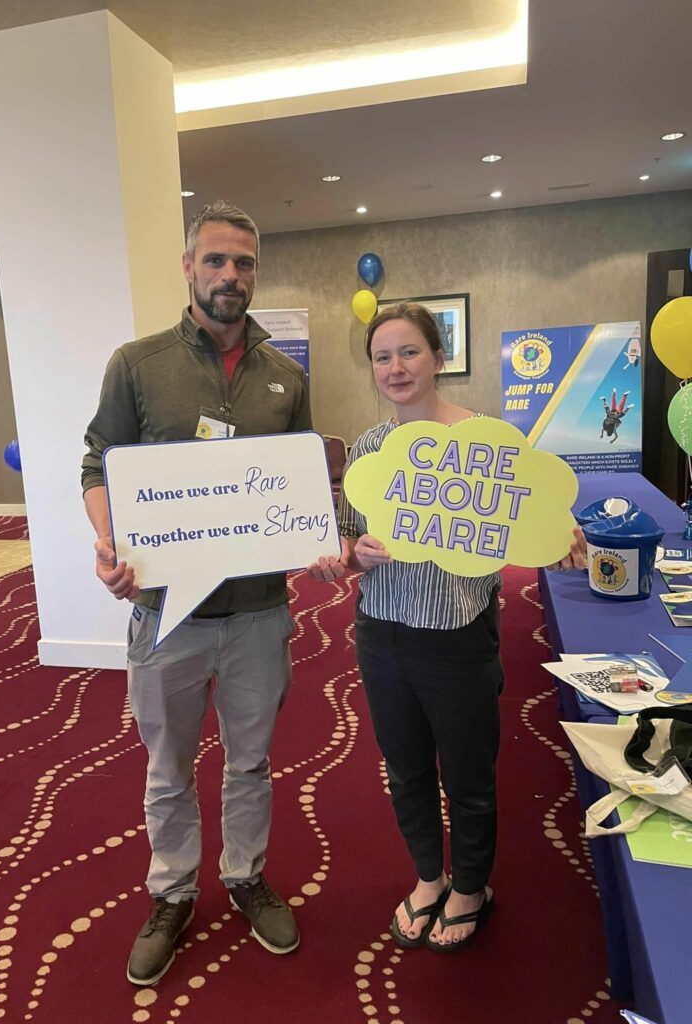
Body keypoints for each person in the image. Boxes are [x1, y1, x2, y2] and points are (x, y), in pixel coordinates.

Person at [82, 200, 310, 985]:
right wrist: (109, 544)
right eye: (215, 260)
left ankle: (244, 875)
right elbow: (97, 465)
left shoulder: (287, 376)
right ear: (188, 267)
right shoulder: (136, 364)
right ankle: (173, 891)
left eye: (243, 263)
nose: (229, 276)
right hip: (164, 613)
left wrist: (320, 539)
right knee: (167, 767)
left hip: (258, 612)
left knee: (250, 763)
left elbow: (305, 484)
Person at [309, 302, 585, 952]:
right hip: (381, 636)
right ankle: (429, 877)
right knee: (404, 768)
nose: (396, 367)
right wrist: (347, 558)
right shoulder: (372, 448)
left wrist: (558, 536)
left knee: (466, 774)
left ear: (437, 357)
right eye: (382, 357)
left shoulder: (488, 442)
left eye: (409, 352)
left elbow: (530, 518)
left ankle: (471, 888)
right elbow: (346, 545)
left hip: (459, 640)